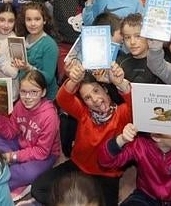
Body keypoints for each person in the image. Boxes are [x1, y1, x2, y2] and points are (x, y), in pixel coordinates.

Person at [31, 61, 131, 206]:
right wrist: (73, 80)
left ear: (105, 89)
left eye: (96, 91)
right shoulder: (84, 113)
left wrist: (120, 83)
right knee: (38, 189)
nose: (95, 100)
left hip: (107, 175)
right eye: (87, 98)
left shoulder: (122, 112)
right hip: (77, 167)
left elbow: (136, 104)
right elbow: (62, 99)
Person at [0, 70, 61, 200]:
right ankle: (10, 165)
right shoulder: (20, 105)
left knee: (28, 173)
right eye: (23, 92)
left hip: (45, 155)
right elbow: (10, 133)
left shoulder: (50, 116)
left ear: (43, 92)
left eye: (34, 92)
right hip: (22, 142)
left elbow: (42, 152)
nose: (28, 97)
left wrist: (13, 156)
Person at [14, 2, 59, 99]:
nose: (32, 24)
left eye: (37, 19)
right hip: (26, 94)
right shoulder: (22, 39)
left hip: (45, 98)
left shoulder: (50, 45)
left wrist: (28, 67)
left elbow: (48, 78)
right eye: (28, 19)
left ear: (45, 20)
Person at [117, 13, 163, 84]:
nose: (132, 42)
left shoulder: (161, 61)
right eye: (127, 37)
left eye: (138, 36)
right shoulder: (120, 64)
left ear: (148, 36)